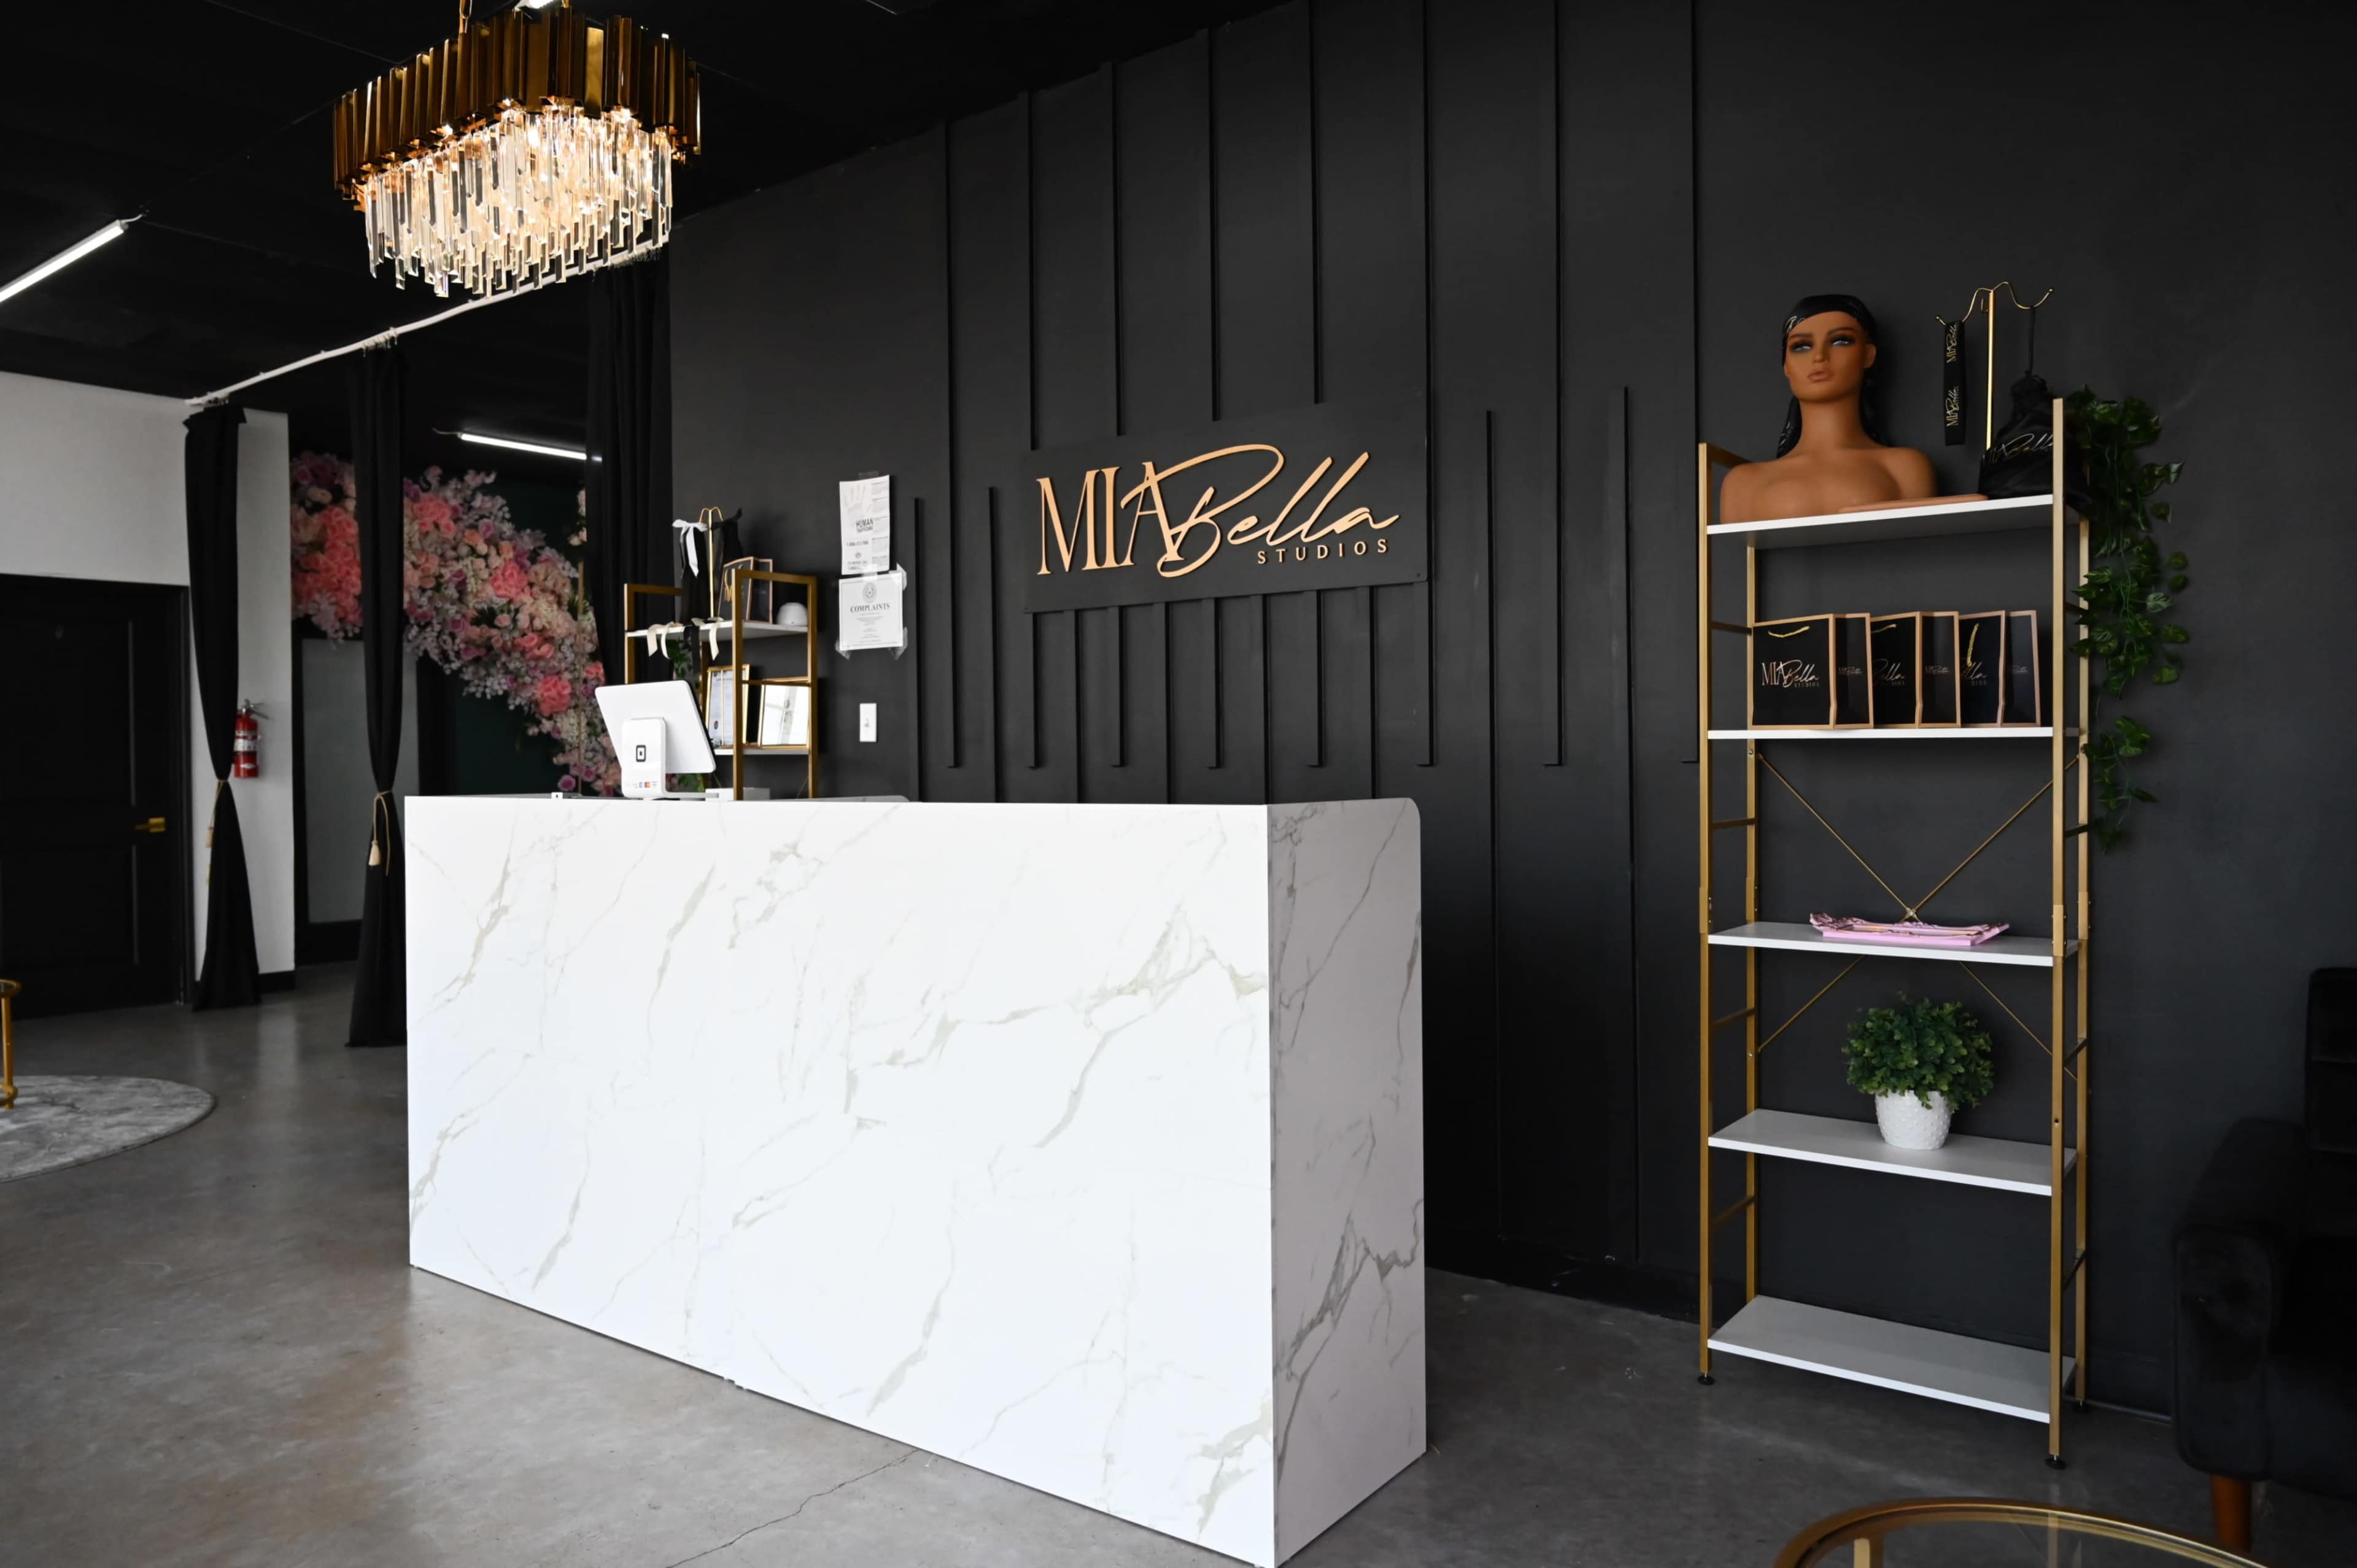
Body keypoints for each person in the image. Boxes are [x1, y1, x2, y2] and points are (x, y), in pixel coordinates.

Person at [1719, 294, 1940, 523]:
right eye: (1801, 346)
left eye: (1841, 341)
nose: (1819, 357)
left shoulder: (1905, 469)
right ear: (1786, 364)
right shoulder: (1744, 483)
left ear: (1868, 354)